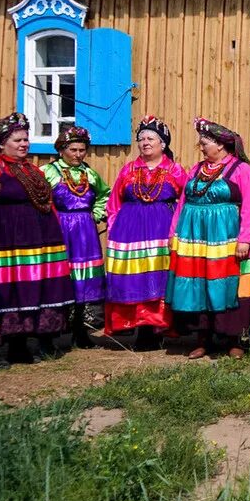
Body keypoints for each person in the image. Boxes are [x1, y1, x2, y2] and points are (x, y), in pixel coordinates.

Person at [168, 117, 250, 359]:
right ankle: (202, 338)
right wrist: (173, 233)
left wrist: (245, 239)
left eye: (205, 142)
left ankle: (233, 339)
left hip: (226, 238)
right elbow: (182, 203)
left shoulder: (242, 170)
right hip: (196, 239)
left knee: (228, 285)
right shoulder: (196, 170)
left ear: (220, 145)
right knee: (199, 283)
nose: (201, 146)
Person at [0, 114, 74, 366]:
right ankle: (4, 348)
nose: (24, 144)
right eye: (18, 140)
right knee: (10, 289)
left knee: (33, 288)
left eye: (26, 139)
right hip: (7, 240)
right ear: (1, 144)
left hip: (39, 240)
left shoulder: (31, 168)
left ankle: (27, 343)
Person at [104, 116, 185, 350]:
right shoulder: (128, 170)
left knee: (158, 278)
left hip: (162, 231)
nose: (145, 143)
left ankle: (157, 328)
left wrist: (177, 231)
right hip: (129, 233)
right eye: (141, 139)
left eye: (151, 138)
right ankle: (139, 328)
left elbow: (184, 202)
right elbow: (114, 203)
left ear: (163, 144)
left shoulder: (176, 170)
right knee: (135, 279)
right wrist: (115, 227)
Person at [41, 125, 110, 348]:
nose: (78, 154)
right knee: (57, 277)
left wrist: (97, 213)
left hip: (85, 230)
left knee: (83, 280)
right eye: (73, 149)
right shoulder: (48, 172)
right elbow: (39, 198)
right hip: (59, 227)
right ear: (61, 149)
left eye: (82, 150)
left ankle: (80, 331)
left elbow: (104, 194)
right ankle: (49, 334)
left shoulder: (89, 173)